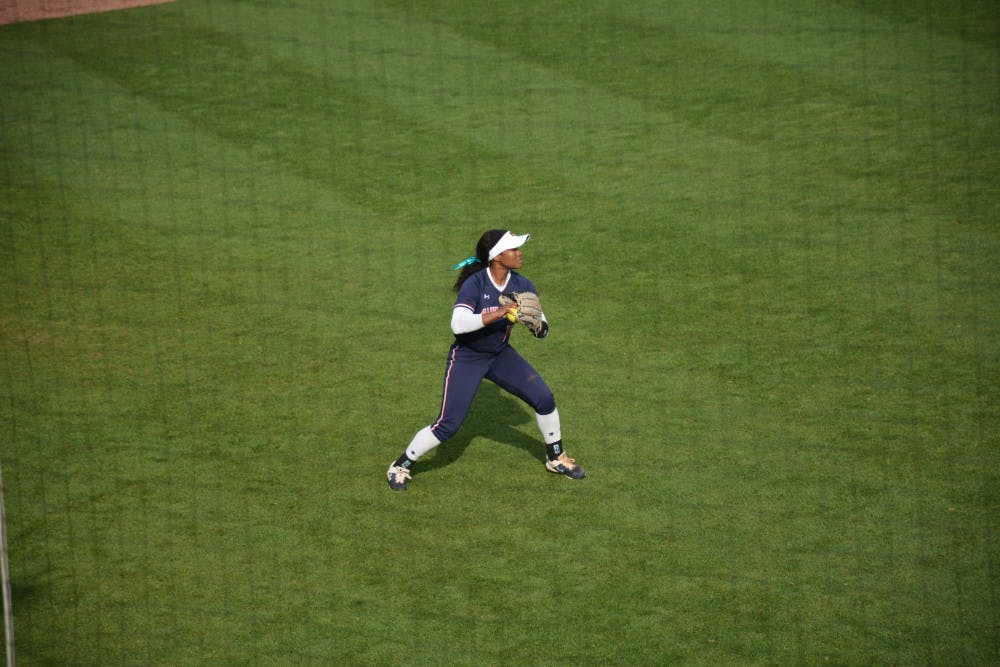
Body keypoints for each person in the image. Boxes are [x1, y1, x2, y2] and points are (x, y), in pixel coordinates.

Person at [386, 229, 586, 491]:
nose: (519, 253)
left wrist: (536, 326)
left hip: (500, 354)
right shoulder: (476, 284)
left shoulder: (523, 284)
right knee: (448, 425)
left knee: (544, 398)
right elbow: (458, 324)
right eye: (513, 249)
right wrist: (499, 313)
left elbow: (544, 329)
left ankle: (555, 457)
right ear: (497, 256)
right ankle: (401, 465)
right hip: (467, 358)